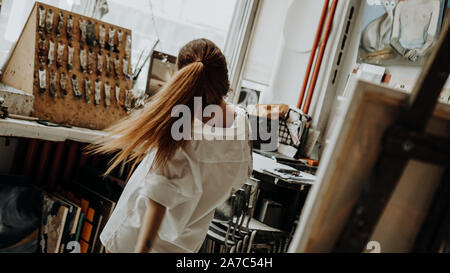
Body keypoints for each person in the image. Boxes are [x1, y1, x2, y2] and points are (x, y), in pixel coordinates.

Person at [89, 39, 253, 253]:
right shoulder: (242, 124)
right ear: (224, 77)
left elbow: (156, 207)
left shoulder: (183, 132)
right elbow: (240, 177)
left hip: (135, 242)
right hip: (185, 246)